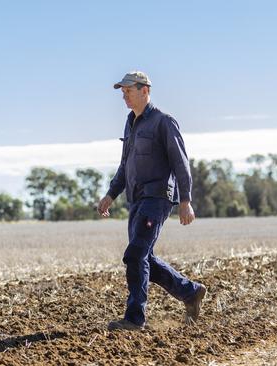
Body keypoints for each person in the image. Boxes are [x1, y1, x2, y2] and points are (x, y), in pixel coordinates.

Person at [97, 71, 207, 331]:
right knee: (144, 257)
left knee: (135, 254)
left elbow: (181, 163)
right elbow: (125, 165)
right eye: (122, 92)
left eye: (128, 90)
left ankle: (135, 319)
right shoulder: (130, 123)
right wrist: (111, 194)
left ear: (145, 90)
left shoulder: (163, 122)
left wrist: (185, 200)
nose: (124, 96)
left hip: (156, 199)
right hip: (135, 201)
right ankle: (190, 292)